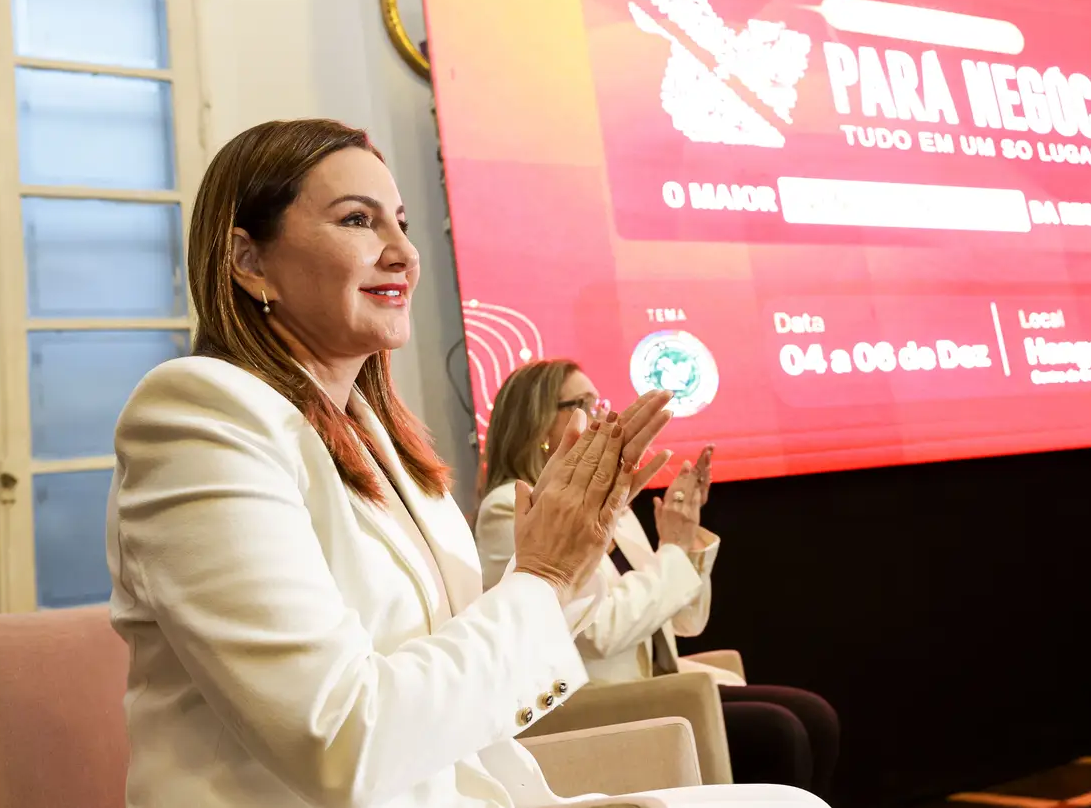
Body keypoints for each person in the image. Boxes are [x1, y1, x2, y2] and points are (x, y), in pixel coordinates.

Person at [104, 118, 830, 808]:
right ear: (248, 261)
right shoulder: (198, 413)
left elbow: (464, 666)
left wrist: (565, 563)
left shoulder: (383, 443)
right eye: (358, 220)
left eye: (401, 223)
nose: (403, 252)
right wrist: (543, 575)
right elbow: (339, 738)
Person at [474, 361, 840, 798]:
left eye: (599, 401)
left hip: (652, 687)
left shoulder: (603, 499)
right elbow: (602, 632)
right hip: (594, 701)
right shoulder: (511, 506)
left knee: (813, 715)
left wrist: (681, 539)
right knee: (782, 732)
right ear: (536, 424)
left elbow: (685, 623)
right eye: (583, 404)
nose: (602, 415)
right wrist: (672, 554)